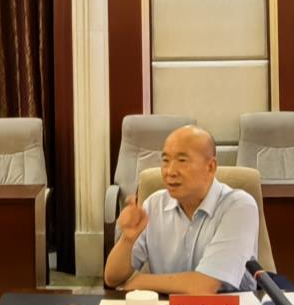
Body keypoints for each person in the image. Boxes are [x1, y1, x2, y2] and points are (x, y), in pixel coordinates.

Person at [104, 125, 258, 295]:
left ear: (210, 167)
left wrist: (140, 281)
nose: (170, 171)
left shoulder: (239, 206)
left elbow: (205, 286)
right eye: (165, 160)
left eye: (182, 161)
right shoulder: (154, 204)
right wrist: (128, 239)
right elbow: (112, 278)